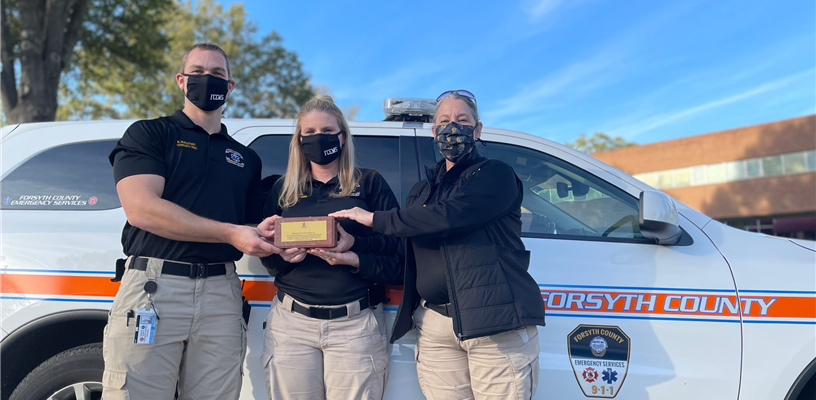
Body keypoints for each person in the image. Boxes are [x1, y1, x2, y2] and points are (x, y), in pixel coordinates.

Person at [331, 90, 546, 400]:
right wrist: (354, 250)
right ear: (434, 132)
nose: (452, 127)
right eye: (444, 121)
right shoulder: (421, 191)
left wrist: (374, 218)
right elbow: (403, 252)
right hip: (435, 326)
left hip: (493, 326)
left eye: (462, 120)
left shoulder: (495, 174)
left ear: (477, 129)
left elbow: (449, 217)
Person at [103, 43, 278, 400]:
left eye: (217, 74)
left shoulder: (245, 159)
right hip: (155, 288)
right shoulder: (151, 134)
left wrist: (288, 237)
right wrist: (229, 233)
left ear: (229, 86)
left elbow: (249, 228)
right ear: (181, 81)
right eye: (197, 73)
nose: (207, 80)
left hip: (221, 293)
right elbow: (141, 209)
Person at [260, 96, 403, 400]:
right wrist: (285, 257)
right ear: (299, 141)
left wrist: (355, 251)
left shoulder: (371, 183)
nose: (318, 137)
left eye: (327, 130)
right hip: (291, 325)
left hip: (356, 326)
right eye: (309, 132)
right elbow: (268, 255)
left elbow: (397, 251)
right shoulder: (283, 190)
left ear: (342, 136)